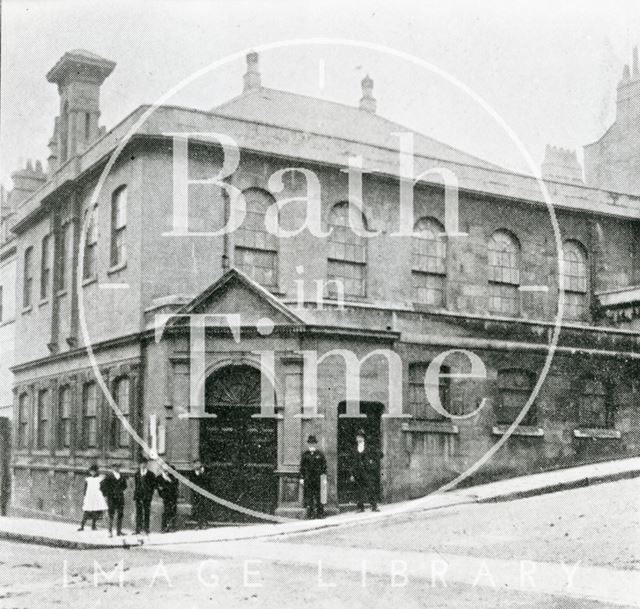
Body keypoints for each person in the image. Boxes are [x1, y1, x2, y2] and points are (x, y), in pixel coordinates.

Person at [350, 430, 381, 512]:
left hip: (367, 471)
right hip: (358, 472)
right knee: (359, 490)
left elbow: (379, 455)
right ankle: (360, 507)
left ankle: (374, 506)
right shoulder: (354, 448)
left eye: (360, 437)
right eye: (357, 437)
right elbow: (352, 462)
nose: (359, 439)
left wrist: (372, 462)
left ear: (363, 438)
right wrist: (352, 474)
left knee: (370, 488)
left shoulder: (369, 447)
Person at [299, 435, 327, 519]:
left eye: (313, 443)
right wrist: (301, 478)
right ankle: (311, 514)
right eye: (310, 443)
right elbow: (302, 467)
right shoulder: (305, 455)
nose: (311, 445)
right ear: (308, 444)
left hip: (318, 478)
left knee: (319, 496)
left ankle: (320, 513)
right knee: (309, 497)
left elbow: (324, 467)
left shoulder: (320, 454)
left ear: (315, 444)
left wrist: (324, 478)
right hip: (308, 479)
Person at [100, 462, 127, 537]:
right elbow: (102, 486)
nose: (117, 468)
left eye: (118, 467)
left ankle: (119, 531)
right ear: (113, 468)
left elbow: (125, 486)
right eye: (115, 467)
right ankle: (110, 531)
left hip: (120, 498)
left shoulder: (122, 476)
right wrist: (106, 494)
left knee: (120, 514)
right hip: (111, 498)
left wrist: (121, 490)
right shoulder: (109, 476)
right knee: (111, 514)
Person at [78, 464, 108, 531]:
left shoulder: (100, 479)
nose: (92, 473)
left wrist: (104, 496)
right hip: (89, 497)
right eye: (91, 471)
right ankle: (82, 526)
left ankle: (93, 525)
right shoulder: (88, 479)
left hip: (96, 497)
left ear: (96, 472)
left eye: (94, 471)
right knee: (86, 511)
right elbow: (85, 489)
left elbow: (103, 489)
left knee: (95, 511)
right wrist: (85, 496)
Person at [133, 458, 156, 535]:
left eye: (144, 463)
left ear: (146, 464)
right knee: (138, 512)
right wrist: (136, 495)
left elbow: (153, 486)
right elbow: (136, 486)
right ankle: (138, 529)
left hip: (147, 497)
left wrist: (150, 495)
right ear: (139, 464)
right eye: (141, 463)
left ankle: (146, 529)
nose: (143, 465)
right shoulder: (137, 474)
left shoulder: (151, 474)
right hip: (139, 496)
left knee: (147, 512)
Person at [157, 463, 179, 532]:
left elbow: (175, 485)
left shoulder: (173, 476)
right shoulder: (159, 477)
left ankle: (172, 526)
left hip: (173, 495)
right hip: (165, 496)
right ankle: (164, 527)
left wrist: (168, 482)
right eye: (163, 466)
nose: (165, 468)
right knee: (166, 511)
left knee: (173, 511)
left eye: (166, 467)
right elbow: (158, 487)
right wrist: (162, 492)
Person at [187, 459, 209, 529]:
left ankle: (204, 523)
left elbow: (207, 481)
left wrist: (201, 474)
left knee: (204, 508)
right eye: (195, 464)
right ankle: (199, 523)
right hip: (196, 493)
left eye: (198, 464)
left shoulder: (205, 471)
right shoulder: (192, 473)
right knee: (197, 508)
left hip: (204, 493)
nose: (197, 465)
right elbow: (191, 482)